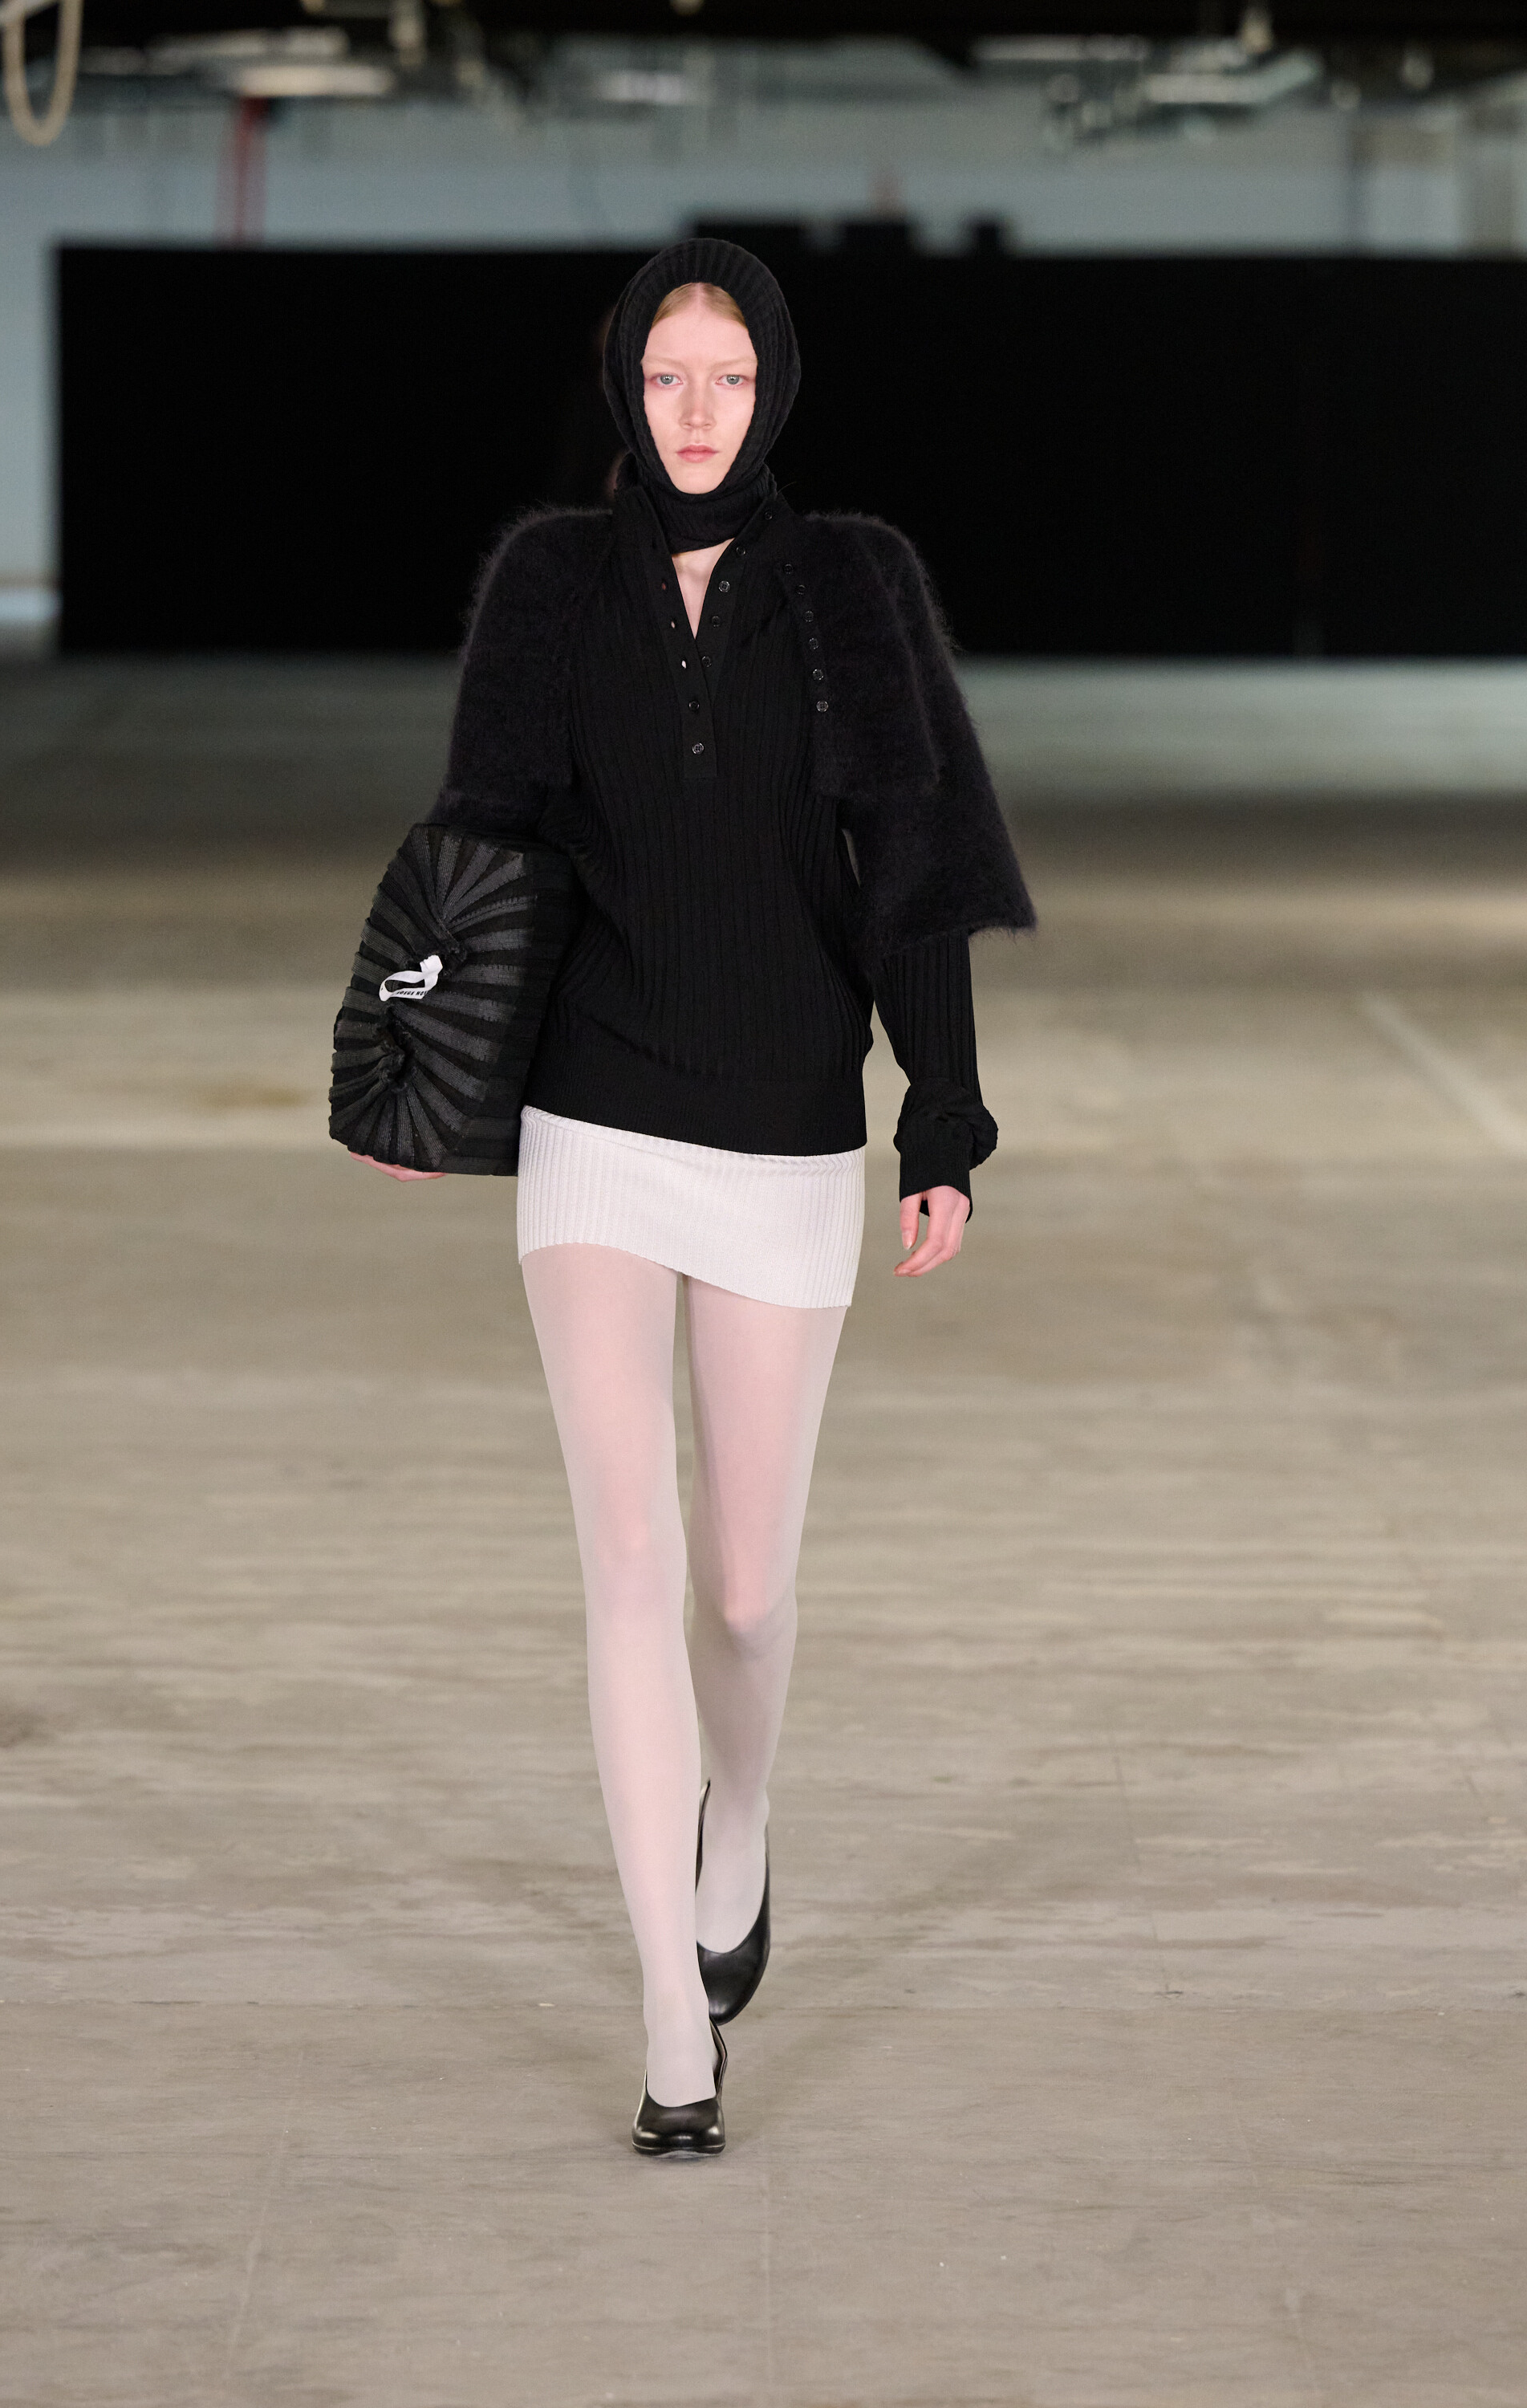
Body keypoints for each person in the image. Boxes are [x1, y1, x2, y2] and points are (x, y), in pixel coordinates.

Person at [359, 238, 1033, 2154]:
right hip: (594, 1116)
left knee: (745, 1584)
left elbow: (914, 860)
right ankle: (670, 2007)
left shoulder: (853, 585)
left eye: (729, 377)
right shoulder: (550, 582)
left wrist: (944, 1118)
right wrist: (422, 1072)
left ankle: (743, 1825)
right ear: (625, 390)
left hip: (790, 1125)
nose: (698, 410)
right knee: (630, 1567)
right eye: (667, 376)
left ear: (775, 389)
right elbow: (483, 842)